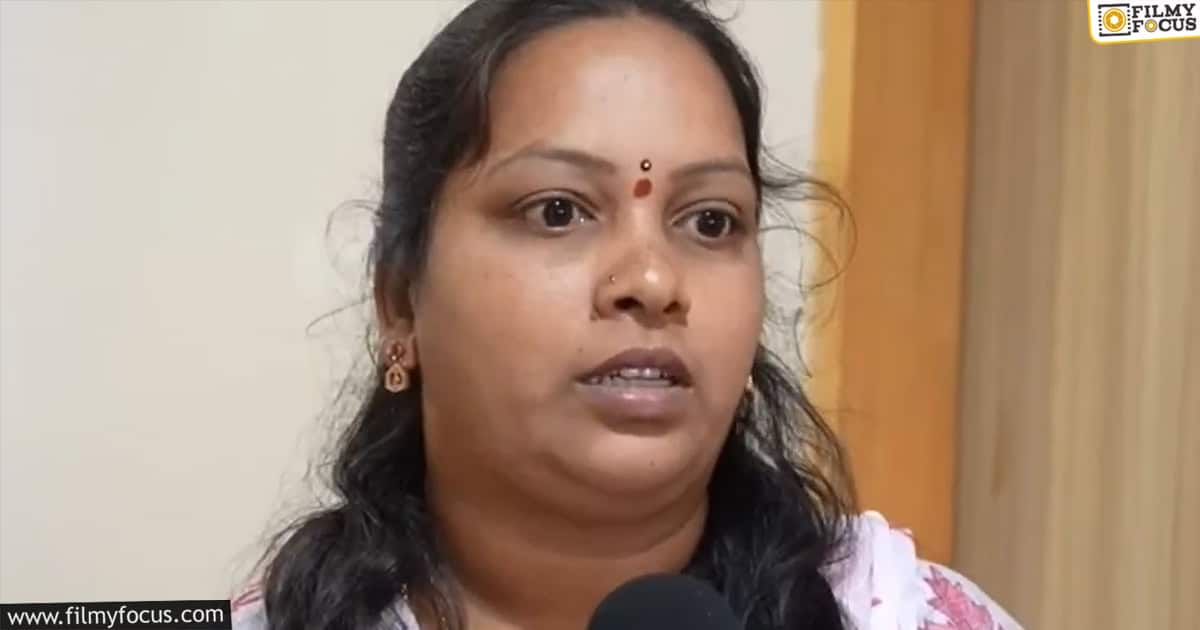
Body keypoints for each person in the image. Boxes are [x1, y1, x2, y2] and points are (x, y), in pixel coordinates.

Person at [232, 1, 1021, 629]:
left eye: (710, 221)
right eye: (558, 211)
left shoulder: (910, 616)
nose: (651, 279)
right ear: (401, 300)